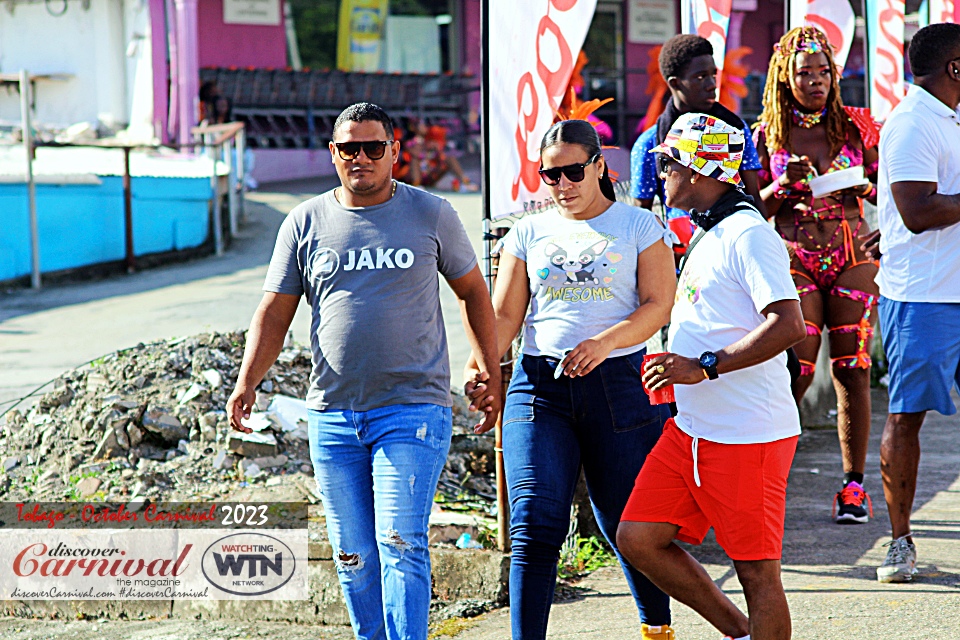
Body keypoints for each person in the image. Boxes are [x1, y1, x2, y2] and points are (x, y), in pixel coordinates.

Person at [226, 102, 501, 639]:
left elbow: (473, 292)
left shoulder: (431, 213)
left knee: (401, 541)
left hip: (413, 410)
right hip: (331, 416)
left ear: (394, 152)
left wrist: (489, 371)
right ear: (333, 154)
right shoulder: (304, 222)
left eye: (374, 147)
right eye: (349, 148)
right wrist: (246, 381)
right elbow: (275, 312)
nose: (361, 158)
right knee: (352, 556)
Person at [466, 119, 677, 640]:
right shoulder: (528, 231)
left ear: (600, 166)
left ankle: (656, 628)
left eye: (572, 171)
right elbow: (506, 319)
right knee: (534, 526)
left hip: (620, 386)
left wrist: (605, 343)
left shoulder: (639, 227)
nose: (561, 185)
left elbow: (659, 305)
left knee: (627, 527)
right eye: (550, 175)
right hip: (541, 389)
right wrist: (480, 365)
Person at [617, 113, 806, 640]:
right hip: (695, 431)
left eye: (669, 166)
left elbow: (790, 323)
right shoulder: (711, 230)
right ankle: (742, 632)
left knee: (756, 572)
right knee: (638, 537)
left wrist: (704, 366)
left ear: (698, 172)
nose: (661, 177)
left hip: (749, 435)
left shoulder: (747, 234)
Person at [754, 26, 882, 525]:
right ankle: (765, 475)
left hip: (853, 257)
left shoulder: (857, 128)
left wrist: (877, 214)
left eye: (824, 71)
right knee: (798, 368)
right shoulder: (766, 135)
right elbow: (751, 208)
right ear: (785, 78)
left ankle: (853, 488)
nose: (816, 80)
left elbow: (891, 195)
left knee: (852, 367)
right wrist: (782, 187)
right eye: (804, 72)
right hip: (795, 261)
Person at [874, 22, 960, 583]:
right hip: (922, 299)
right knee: (908, 417)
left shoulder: (951, 118)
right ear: (955, 68)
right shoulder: (911, 123)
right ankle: (900, 543)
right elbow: (918, 211)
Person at [630, 34, 766, 254]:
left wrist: (764, 243)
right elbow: (642, 218)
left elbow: (753, 197)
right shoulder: (649, 144)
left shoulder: (735, 130)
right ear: (675, 83)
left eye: (713, 74)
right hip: (677, 258)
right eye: (701, 77)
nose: (712, 84)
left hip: (733, 249)